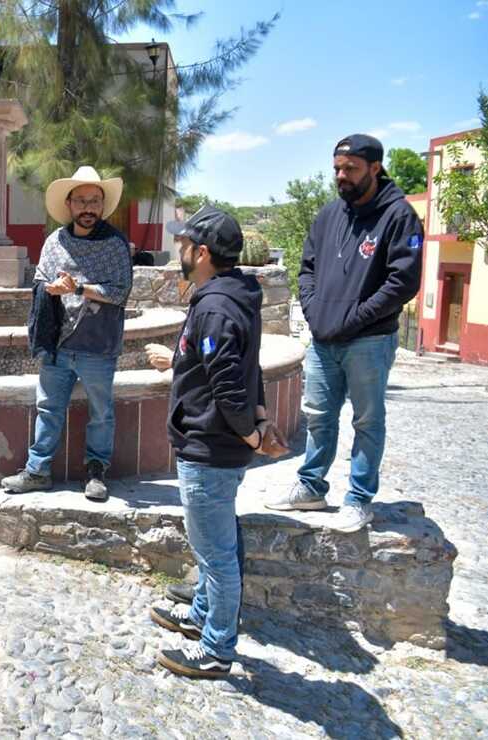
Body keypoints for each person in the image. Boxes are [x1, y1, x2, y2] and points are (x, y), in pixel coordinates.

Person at [143, 205, 289, 679]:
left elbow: (228, 384)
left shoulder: (216, 306)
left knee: (217, 555)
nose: (178, 251)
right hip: (218, 444)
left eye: (183, 245)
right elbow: (243, 367)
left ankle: (216, 649)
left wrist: (251, 434)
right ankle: (203, 614)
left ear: (202, 253)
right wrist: (260, 420)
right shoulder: (235, 294)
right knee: (217, 542)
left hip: (210, 447)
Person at [265, 134, 423, 532]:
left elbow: (402, 283)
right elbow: (307, 269)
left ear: (375, 168)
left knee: (367, 421)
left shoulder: (399, 216)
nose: (341, 175)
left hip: (369, 340)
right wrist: (315, 313)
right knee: (318, 416)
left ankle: (358, 498)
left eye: (350, 168)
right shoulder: (328, 215)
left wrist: (354, 319)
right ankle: (311, 487)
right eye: (337, 168)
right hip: (323, 340)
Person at [2, 166, 133, 501]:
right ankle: (37, 471)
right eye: (81, 201)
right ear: (70, 204)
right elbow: (41, 282)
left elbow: (120, 292)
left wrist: (79, 288)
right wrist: (51, 288)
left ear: (102, 205)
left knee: (101, 413)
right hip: (58, 343)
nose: (88, 207)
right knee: (48, 408)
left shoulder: (115, 245)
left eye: (94, 201)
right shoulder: (54, 242)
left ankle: (96, 472)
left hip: (98, 344)